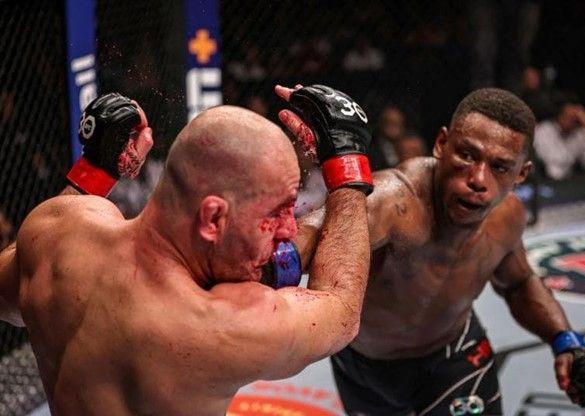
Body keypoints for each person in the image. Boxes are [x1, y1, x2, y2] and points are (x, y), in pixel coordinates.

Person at [0, 85, 374, 415]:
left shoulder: (53, 238)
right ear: (212, 219)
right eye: (275, 213)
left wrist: (94, 170)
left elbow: (10, 295)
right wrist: (348, 166)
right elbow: (341, 311)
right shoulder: (218, 323)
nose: (288, 229)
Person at [291, 88, 585, 415]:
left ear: (521, 174)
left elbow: (518, 282)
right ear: (442, 144)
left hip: (455, 357)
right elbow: (305, 240)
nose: (478, 179)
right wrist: (267, 257)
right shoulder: (394, 202)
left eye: (500, 167)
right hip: (363, 368)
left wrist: (565, 340)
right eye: (467, 155)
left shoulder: (507, 216)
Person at [533, 94, 585, 180]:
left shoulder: (580, 133)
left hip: (574, 183)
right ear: (559, 115)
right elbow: (553, 169)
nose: (573, 119)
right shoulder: (543, 131)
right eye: (569, 116)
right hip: (550, 182)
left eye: (575, 117)